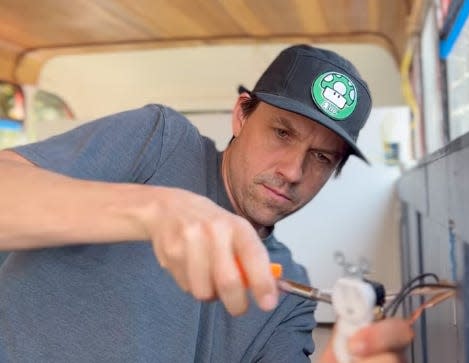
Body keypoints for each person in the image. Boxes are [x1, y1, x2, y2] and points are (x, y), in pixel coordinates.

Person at [0, 44, 413, 362]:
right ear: (241, 115)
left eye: (322, 157)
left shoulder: (288, 296)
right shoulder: (159, 142)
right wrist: (151, 210)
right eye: (282, 133)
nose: (292, 170)